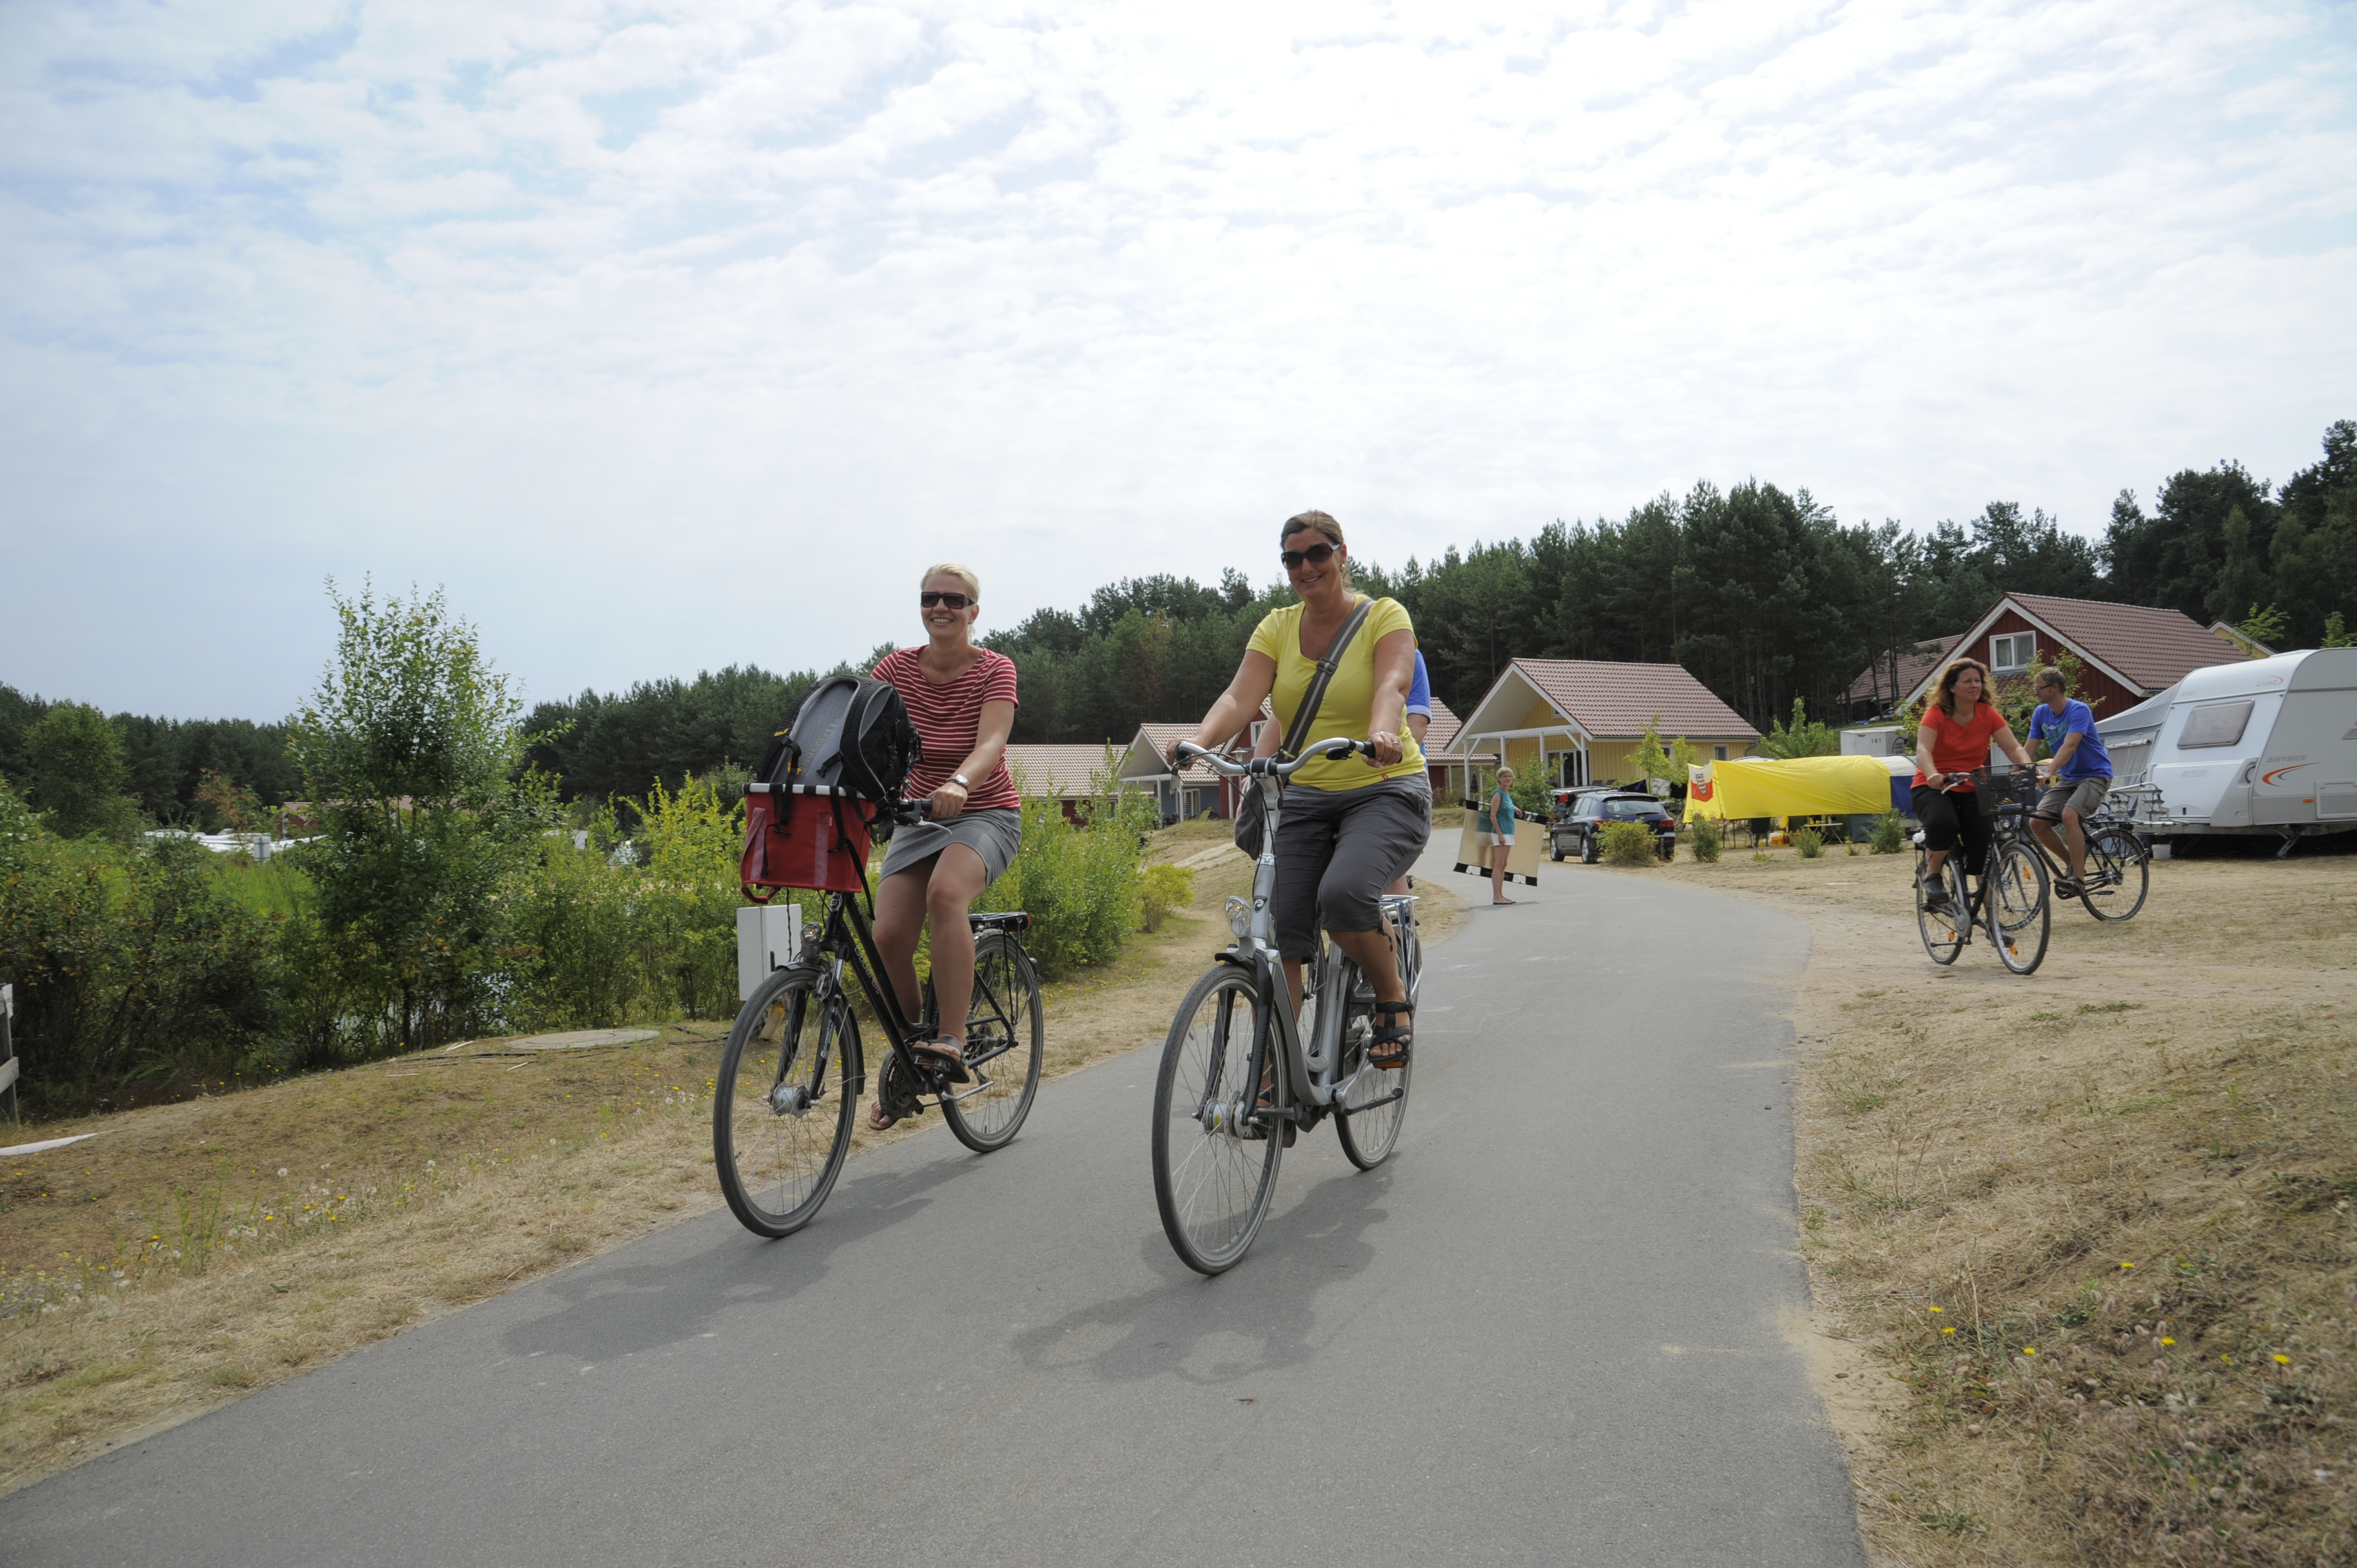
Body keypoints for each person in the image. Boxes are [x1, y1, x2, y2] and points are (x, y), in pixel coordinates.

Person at [1170, 510, 1429, 1069]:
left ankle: (1391, 1000)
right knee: (1280, 933)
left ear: (1341, 554)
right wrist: (1197, 740)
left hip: (1384, 789)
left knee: (1341, 899)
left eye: (1316, 553)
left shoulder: (1384, 616)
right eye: (1292, 558)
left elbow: (1392, 682)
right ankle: (1275, 1072)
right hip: (1306, 796)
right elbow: (1240, 698)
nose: (1305, 566)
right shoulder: (1276, 627)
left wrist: (1383, 730)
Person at [867, 563, 1022, 1130]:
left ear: (973, 611)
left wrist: (958, 782)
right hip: (917, 816)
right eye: (930, 598)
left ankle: (951, 1039)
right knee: (886, 935)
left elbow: (992, 742)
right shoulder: (894, 669)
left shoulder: (994, 670)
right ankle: (916, 1052)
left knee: (946, 894)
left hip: (984, 810)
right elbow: (863, 732)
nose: (940, 607)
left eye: (953, 600)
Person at [1911, 657, 2037, 916]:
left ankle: (1994, 919)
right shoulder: (1936, 714)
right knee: (1945, 823)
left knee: (1984, 844)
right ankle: (1933, 875)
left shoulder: (1987, 713)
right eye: (1967, 681)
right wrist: (1933, 773)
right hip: (1935, 785)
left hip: (1972, 785)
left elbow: (2013, 747)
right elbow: (1923, 749)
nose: (1974, 685)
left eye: (1978, 681)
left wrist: (2029, 767)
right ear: (1952, 687)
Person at [2026, 666, 2112, 898]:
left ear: (2055, 688)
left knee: (2069, 815)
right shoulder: (2041, 713)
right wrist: (2018, 770)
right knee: (2037, 823)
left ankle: (2079, 879)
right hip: (2069, 777)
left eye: (2039, 687)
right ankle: (2073, 865)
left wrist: (2048, 772)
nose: (2035, 692)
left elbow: (2070, 746)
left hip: (2095, 774)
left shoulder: (2079, 710)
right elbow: (2029, 749)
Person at [1478, 766, 1517, 905]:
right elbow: (1493, 816)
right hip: (1501, 833)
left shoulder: (1507, 795)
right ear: (1499, 779)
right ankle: (1496, 897)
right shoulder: (1497, 794)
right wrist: (1500, 835)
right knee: (1498, 864)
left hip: (1509, 832)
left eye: (1510, 776)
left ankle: (1501, 895)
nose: (1508, 779)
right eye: (1505, 776)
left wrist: (1516, 809)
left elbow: (1506, 807)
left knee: (1504, 865)